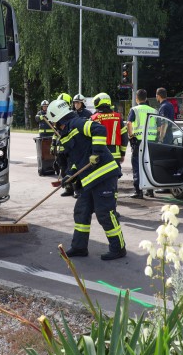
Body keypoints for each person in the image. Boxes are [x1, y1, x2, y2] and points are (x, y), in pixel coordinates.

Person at [46, 99, 127, 260]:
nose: (54, 125)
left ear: (58, 119)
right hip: (89, 180)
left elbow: (99, 129)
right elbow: (76, 160)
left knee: (105, 213)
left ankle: (118, 248)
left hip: (104, 175)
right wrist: (69, 175)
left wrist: (96, 152)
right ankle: (79, 247)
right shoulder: (67, 133)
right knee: (81, 211)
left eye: (54, 122)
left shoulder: (77, 123)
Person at [127, 89, 157, 199]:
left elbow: (129, 123)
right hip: (151, 141)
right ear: (146, 98)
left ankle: (138, 191)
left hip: (139, 141)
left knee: (137, 165)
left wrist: (131, 136)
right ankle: (150, 190)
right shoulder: (154, 110)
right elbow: (159, 126)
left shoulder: (134, 110)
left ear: (136, 99)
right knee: (149, 164)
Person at [91, 93, 128, 165]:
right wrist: (122, 153)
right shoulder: (118, 117)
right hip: (115, 155)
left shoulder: (93, 118)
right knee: (114, 175)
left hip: (99, 155)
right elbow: (125, 137)